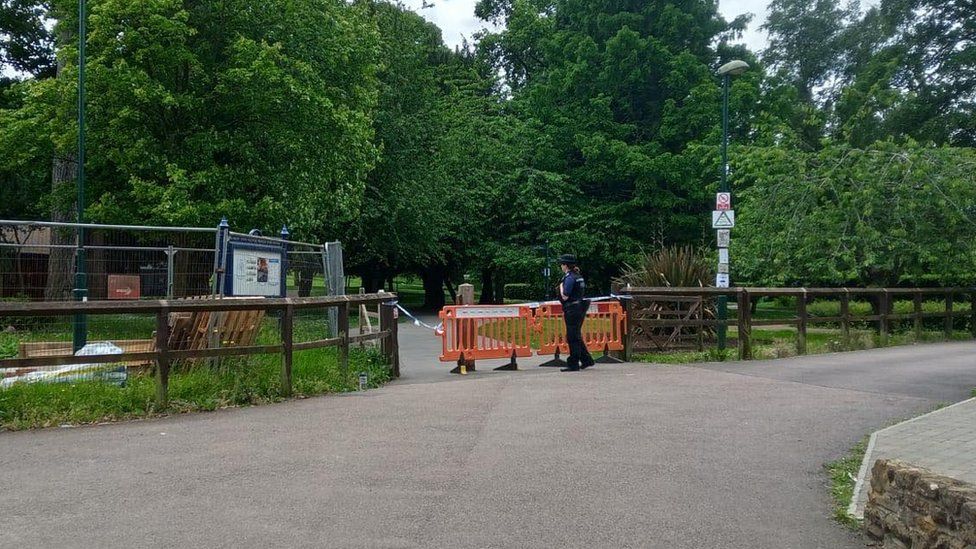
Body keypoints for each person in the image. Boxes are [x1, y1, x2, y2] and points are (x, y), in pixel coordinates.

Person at [556, 254, 594, 372]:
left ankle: (573, 363)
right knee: (576, 335)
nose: (561, 266)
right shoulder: (578, 276)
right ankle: (586, 360)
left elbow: (565, 295)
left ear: (566, 265)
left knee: (572, 337)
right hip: (579, 308)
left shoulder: (569, 278)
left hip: (572, 309)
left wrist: (561, 286)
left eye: (562, 264)